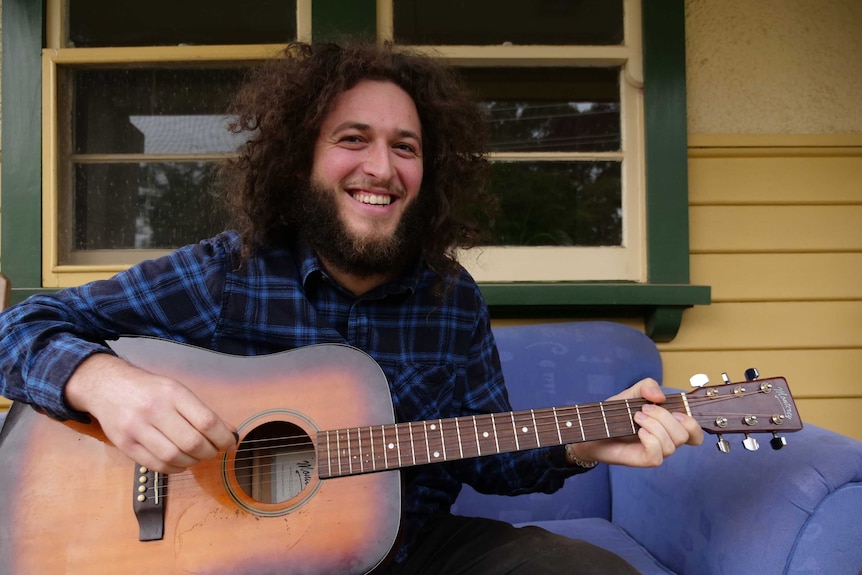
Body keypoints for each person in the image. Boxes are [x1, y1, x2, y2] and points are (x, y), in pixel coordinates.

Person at [0, 42, 702, 574]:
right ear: (301, 158)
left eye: (406, 147)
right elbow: (17, 328)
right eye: (352, 139)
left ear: (430, 175)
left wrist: (585, 442)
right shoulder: (228, 271)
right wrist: (108, 383)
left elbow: (489, 455)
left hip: (408, 550)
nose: (381, 168)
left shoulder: (450, 297)